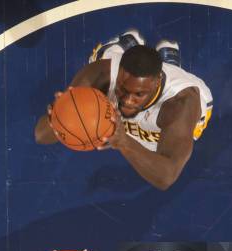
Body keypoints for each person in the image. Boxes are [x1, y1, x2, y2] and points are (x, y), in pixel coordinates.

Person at [34, 30, 213, 190]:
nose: (127, 100)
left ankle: (171, 65)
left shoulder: (181, 104)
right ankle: (123, 45)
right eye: (123, 89)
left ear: (157, 82)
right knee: (105, 58)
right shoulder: (101, 74)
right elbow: (41, 136)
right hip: (122, 86)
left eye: (138, 94)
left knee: (163, 145)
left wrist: (124, 142)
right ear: (118, 74)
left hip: (162, 122)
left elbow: (166, 176)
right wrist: (58, 117)